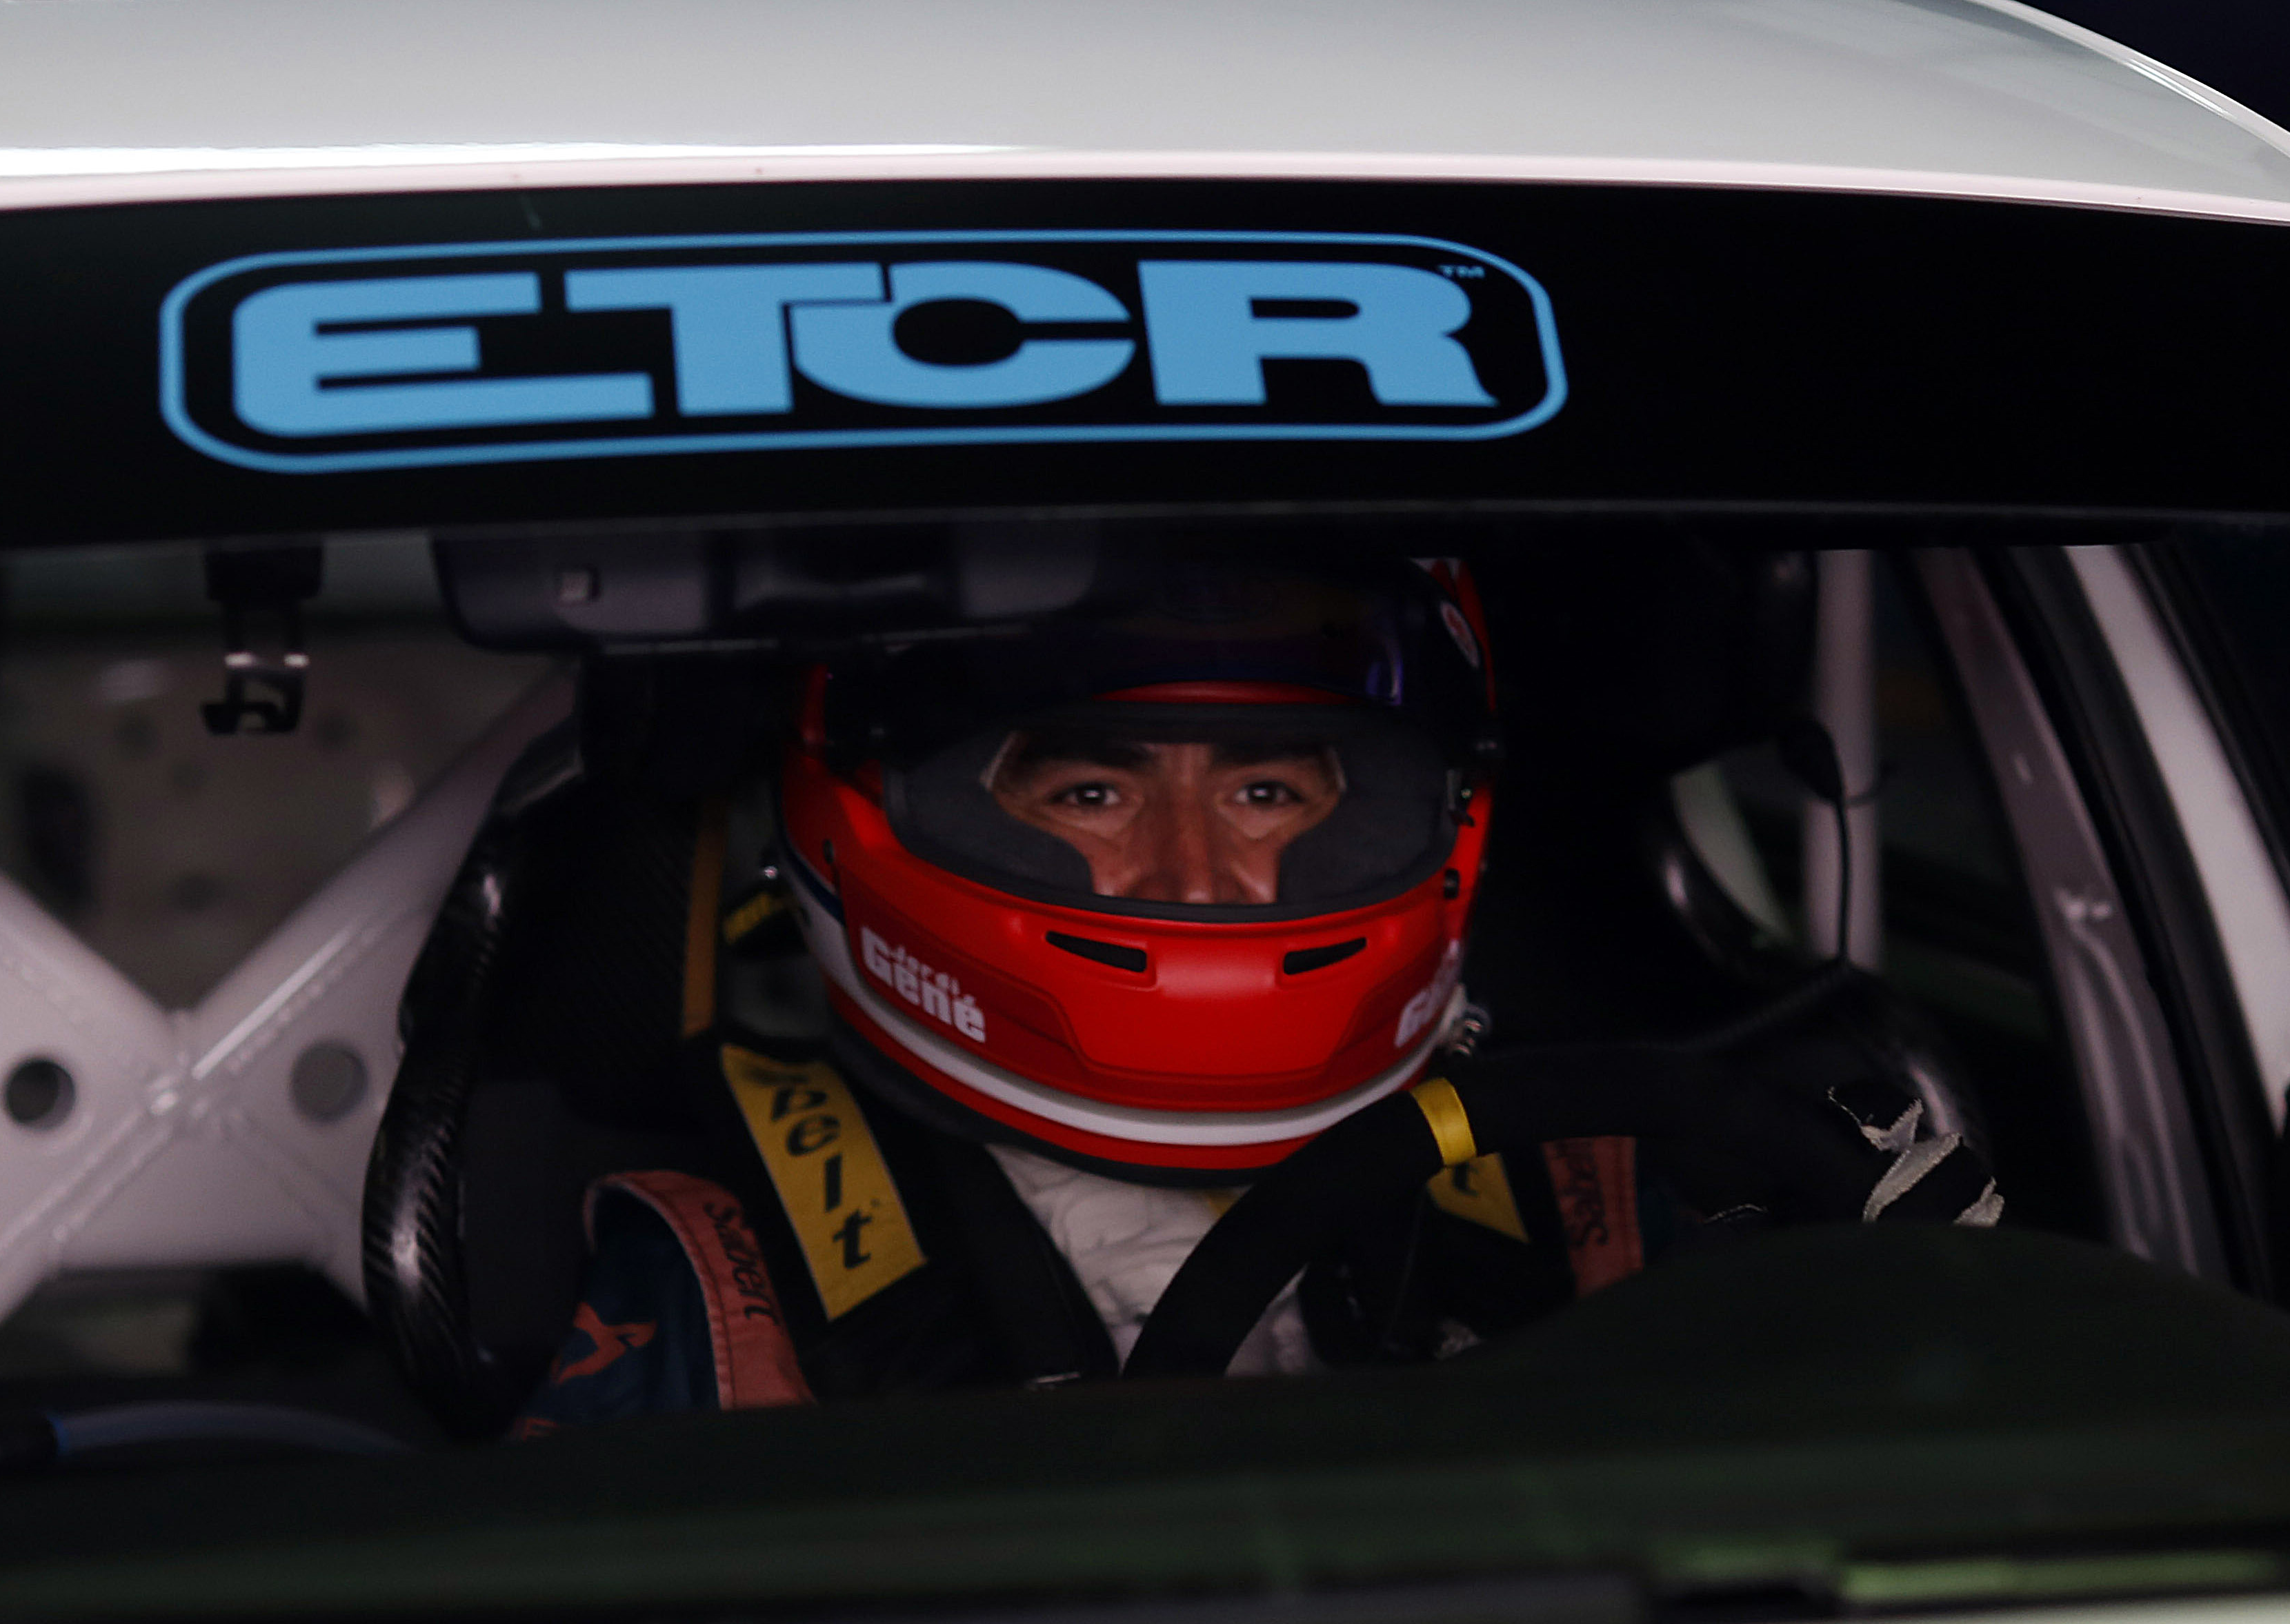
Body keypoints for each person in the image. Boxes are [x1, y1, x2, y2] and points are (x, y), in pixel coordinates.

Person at [507, 545, 1998, 1434]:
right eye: (1089, 793)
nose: (1196, 878)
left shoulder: (1596, 1187)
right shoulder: (717, 1262)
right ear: (863, 810)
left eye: (1269, 791)